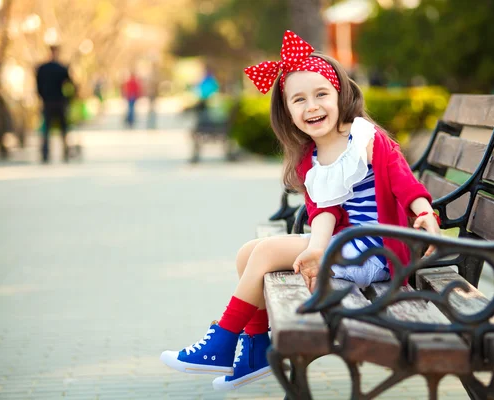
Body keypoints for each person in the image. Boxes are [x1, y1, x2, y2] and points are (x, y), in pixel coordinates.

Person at [160, 30, 440, 391]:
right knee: (249, 253)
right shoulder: (311, 160)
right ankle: (256, 350)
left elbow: (404, 182)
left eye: (321, 94)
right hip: (347, 242)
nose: (312, 106)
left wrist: (425, 214)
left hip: (380, 251)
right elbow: (325, 212)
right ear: (287, 111)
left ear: (340, 94)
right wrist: (315, 248)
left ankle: (224, 338)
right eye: (299, 100)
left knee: (266, 251)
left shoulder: (365, 139)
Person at [35, 45, 73, 163]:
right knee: (62, 128)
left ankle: (46, 154)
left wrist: (42, 96)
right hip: (59, 102)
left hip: (47, 102)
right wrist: (68, 99)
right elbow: (70, 85)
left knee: (46, 128)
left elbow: (38, 86)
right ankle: (64, 152)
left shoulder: (42, 68)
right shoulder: (61, 68)